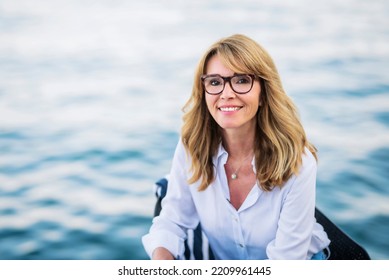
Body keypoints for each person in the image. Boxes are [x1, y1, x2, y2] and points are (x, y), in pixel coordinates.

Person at [142, 34, 330, 260]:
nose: (227, 94)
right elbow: (171, 222)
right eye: (214, 82)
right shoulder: (191, 146)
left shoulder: (298, 161)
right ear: (203, 92)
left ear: (263, 93)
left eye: (242, 80)